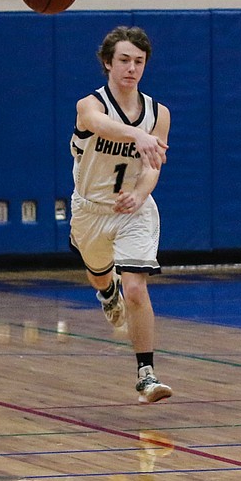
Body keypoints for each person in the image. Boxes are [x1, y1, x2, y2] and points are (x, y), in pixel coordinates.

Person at [69, 25, 173, 403]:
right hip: (91, 210)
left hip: (133, 209)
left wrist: (140, 193)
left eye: (139, 61)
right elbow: (99, 125)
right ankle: (104, 290)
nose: (132, 68)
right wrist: (137, 137)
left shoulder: (158, 113)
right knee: (99, 275)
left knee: (136, 287)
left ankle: (146, 373)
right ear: (107, 64)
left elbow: (153, 167)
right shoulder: (90, 105)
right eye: (124, 60)